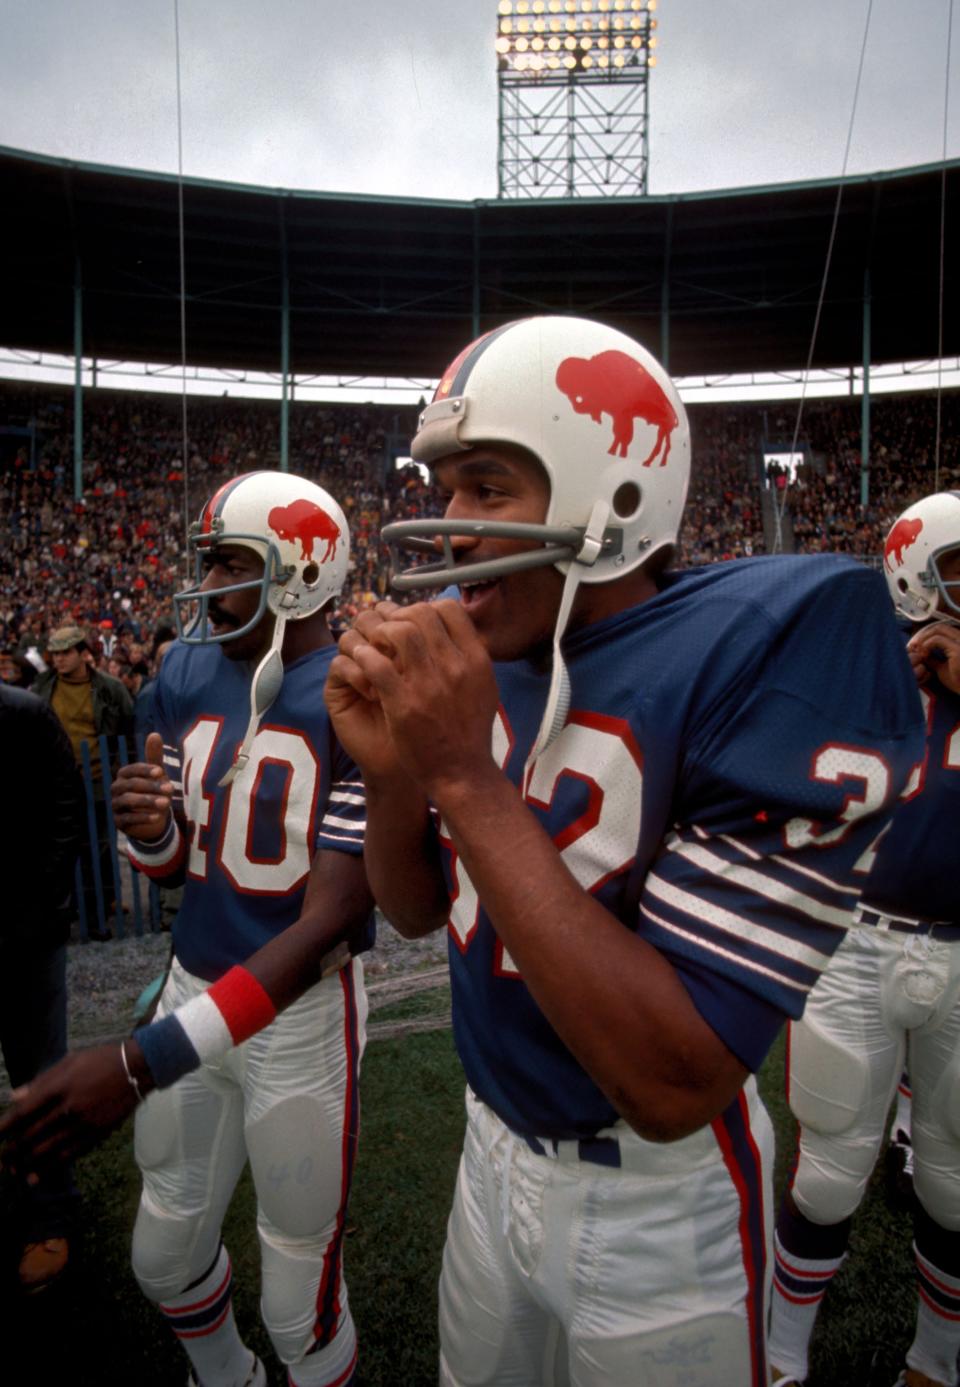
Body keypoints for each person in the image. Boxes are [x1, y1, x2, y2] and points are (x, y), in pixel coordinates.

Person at [324, 315, 924, 1387]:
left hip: (654, 1194)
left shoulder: (762, 645)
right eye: (446, 484)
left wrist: (462, 775)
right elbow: (415, 914)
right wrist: (395, 774)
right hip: (488, 1144)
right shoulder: (492, 648)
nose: (450, 524)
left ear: (617, 498)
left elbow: (670, 1078)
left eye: (489, 485)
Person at [1, 471, 373, 1387]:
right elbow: (183, 871)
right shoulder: (185, 671)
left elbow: (333, 917)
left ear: (299, 571)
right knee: (162, 1254)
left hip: (301, 1014)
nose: (205, 585)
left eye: (229, 563)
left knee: (299, 1300)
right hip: (192, 986)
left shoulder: (359, 692)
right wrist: (157, 832)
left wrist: (140, 1057)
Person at [768, 492, 960, 1387]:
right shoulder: (860, 668)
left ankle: (935, 1357)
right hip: (857, 941)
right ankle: (779, 1354)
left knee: (954, 1183)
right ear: (916, 578)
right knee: (829, 1171)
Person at [0, 683, 82, 1292]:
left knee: (39, 1076)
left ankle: (49, 1217)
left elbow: (65, 814)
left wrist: (34, 913)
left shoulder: (24, 715)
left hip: (24, 936)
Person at [33, 622, 134, 940]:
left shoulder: (109, 688)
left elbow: (127, 729)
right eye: (55, 654)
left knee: (100, 850)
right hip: (58, 784)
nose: (59, 660)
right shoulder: (43, 687)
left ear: (82, 653)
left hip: (97, 779)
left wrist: (120, 772)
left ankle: (99, 913)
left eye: (65, 653)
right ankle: (71, 909)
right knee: (63, 849)